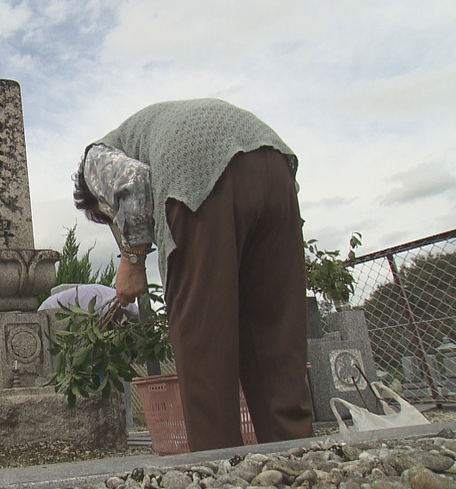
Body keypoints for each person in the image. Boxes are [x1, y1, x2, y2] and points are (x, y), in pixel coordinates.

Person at [74, 98, 313, 451]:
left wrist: (132, 261)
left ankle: (220, 469)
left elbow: (134, 181)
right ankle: (298, 461)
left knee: (205, 345)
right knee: (275, 342)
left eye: (106, 214)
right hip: (274, 166)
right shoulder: (149, 128)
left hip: (198, 179)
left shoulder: (94, 158)